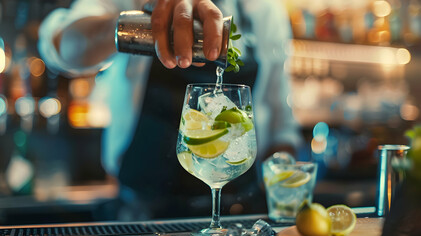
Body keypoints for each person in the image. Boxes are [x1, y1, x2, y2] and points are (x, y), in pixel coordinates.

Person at [38, 0, 302, 220]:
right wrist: (141, 24)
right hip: (141, 215)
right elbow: (59, 45)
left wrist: (287, 196)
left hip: (238, 213)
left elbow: (279, 123)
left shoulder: (265, 10)